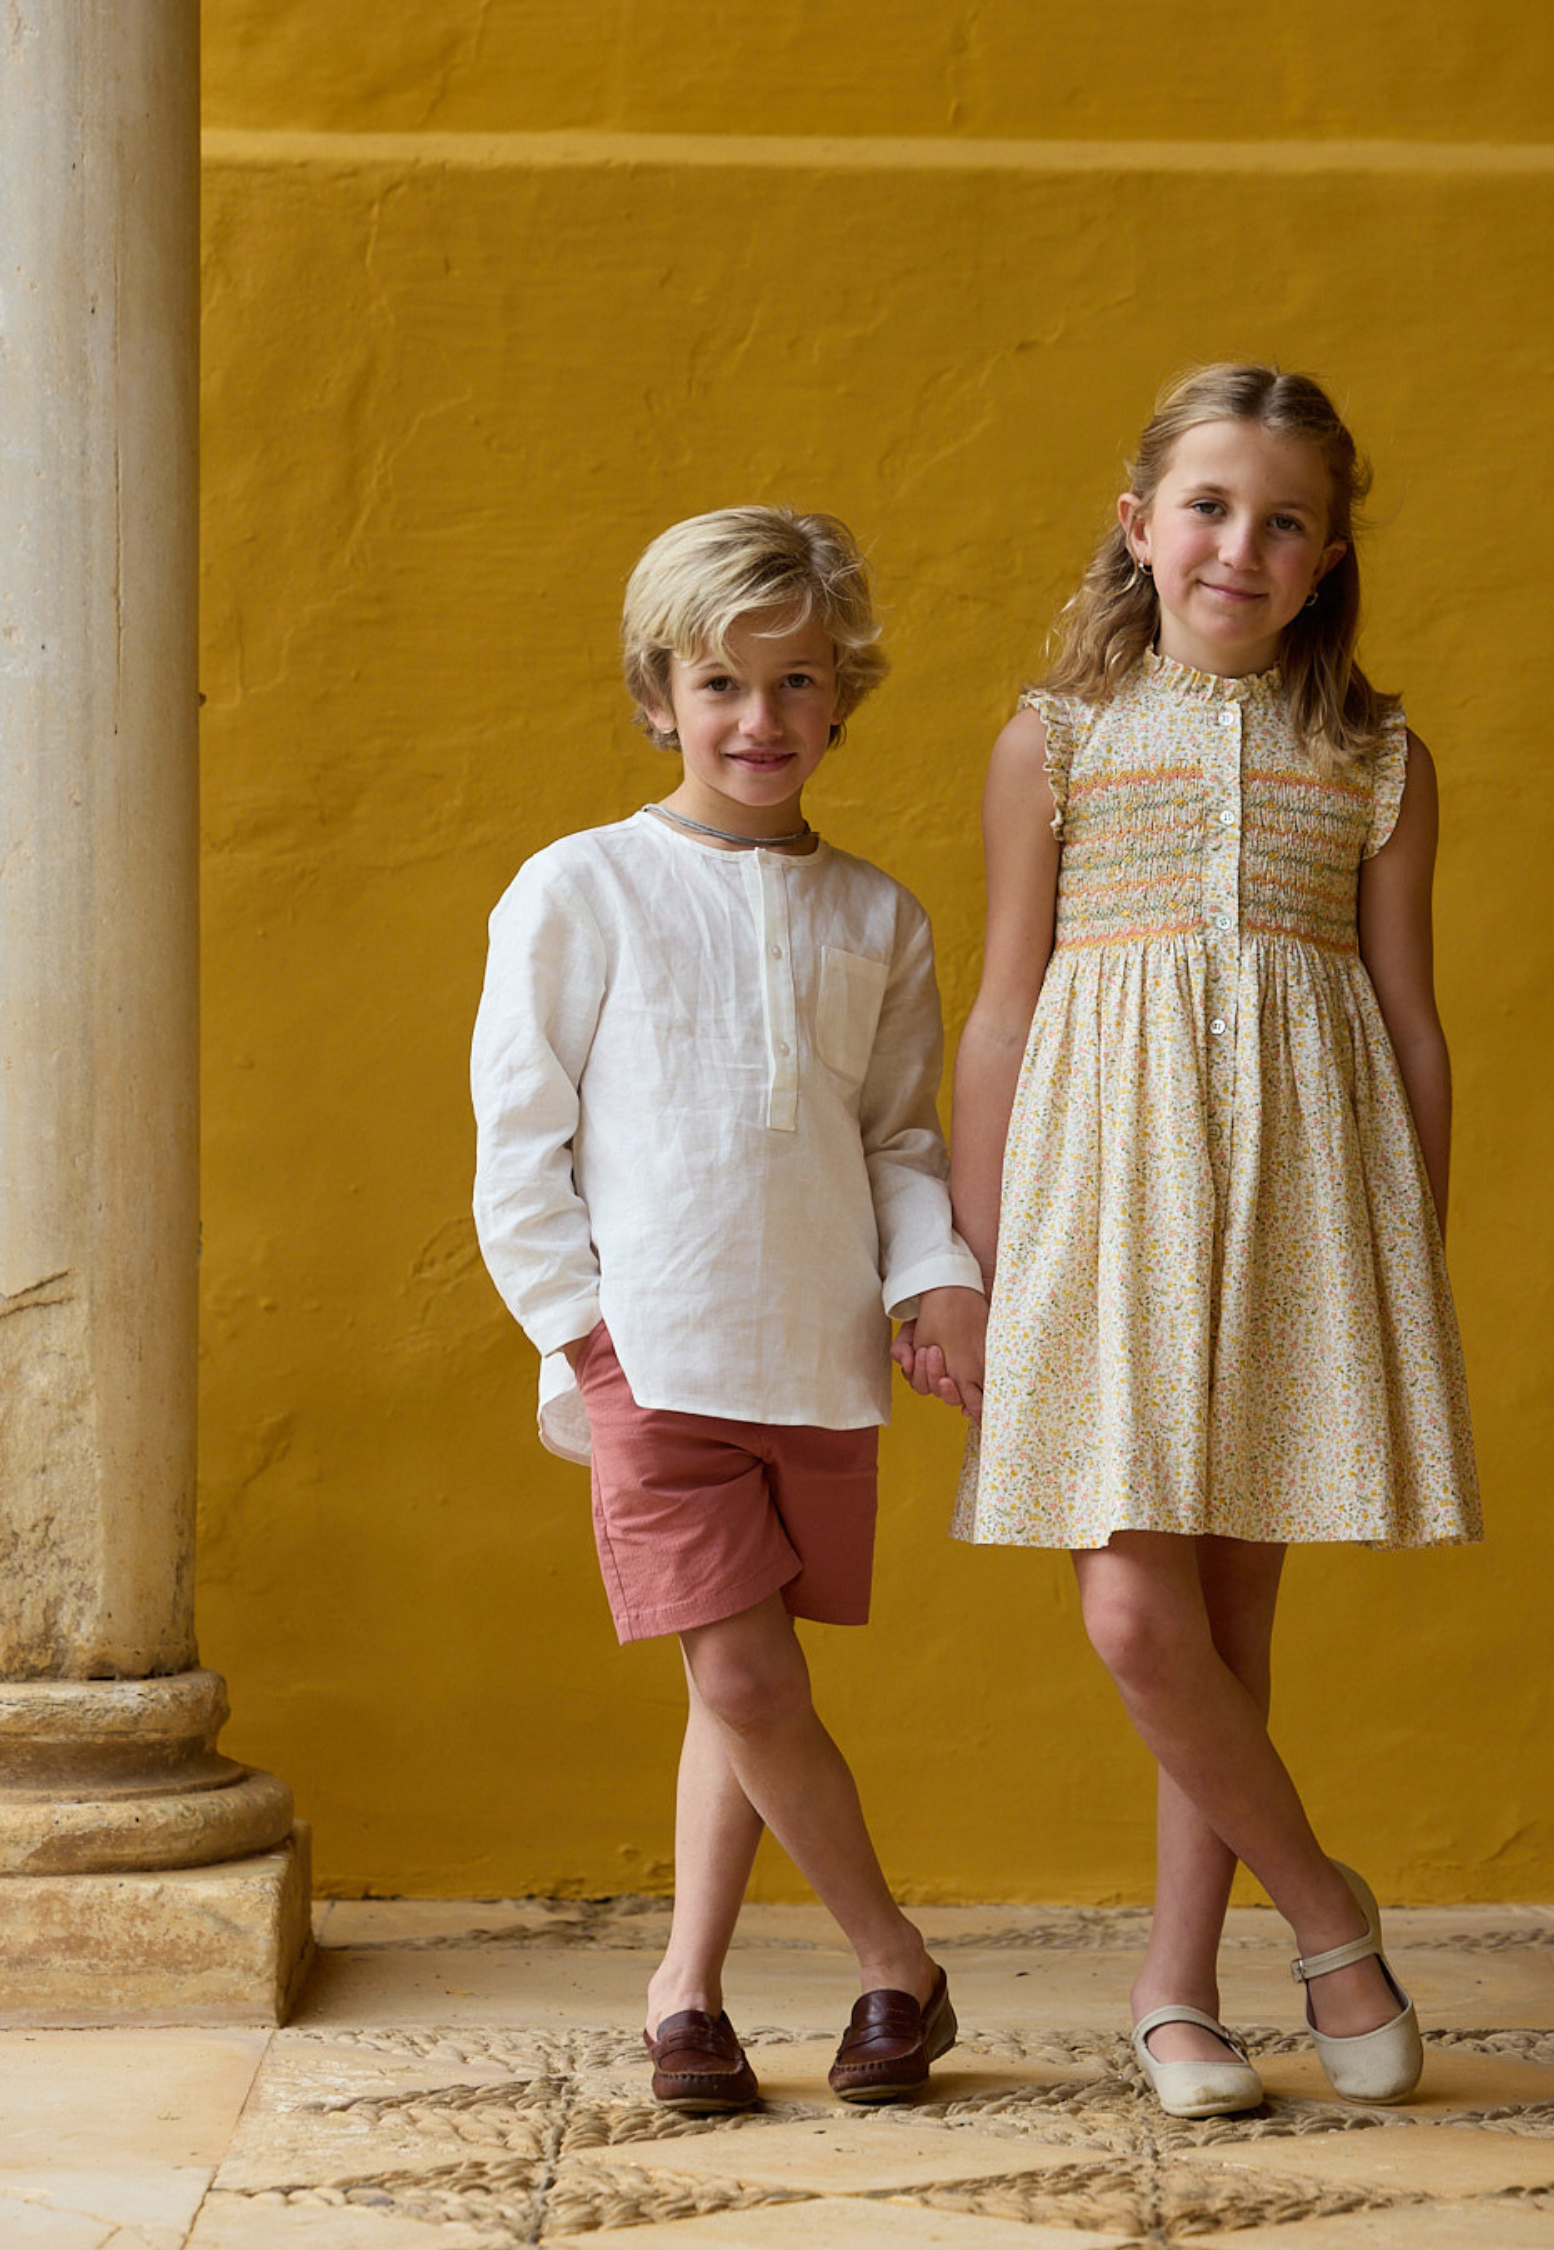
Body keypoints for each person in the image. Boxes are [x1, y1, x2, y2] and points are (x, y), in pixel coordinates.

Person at [902, 364, 1481, 2115]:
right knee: (1136, 1614)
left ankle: (1175, 1995)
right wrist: (984, 1264)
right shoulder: (1053, 742)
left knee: (1227, 1626)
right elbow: (1002, 1013)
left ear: (1325, 558)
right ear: (1140, 523)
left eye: (1285, 517)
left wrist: (1409, 1267)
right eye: (1211, 505)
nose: (1243, 542)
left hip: (1306, 1216)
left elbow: (1411, 1023)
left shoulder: (1380, 757)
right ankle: (1330, 1917)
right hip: (1102, 1210)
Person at [472, 506, 987, 2114]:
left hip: (817, 1359)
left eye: (798, 684)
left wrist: (936, 1278)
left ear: (843, 699)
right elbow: (518, 1137)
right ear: (657, 694)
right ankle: (894, 1956)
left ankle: (683, 1992)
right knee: (751, 1676)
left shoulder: (880, 919)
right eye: (721, 684)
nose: (759, 721)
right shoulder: (582, 889)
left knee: (736, 1680)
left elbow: (898, 1138)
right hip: (655, 1356)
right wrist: (584, 1332)